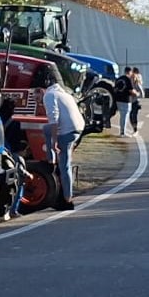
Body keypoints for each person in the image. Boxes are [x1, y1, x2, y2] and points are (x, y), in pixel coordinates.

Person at [39, 75, 85, 210]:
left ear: (42, 89)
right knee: (45, 129)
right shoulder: (64, 94)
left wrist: (54, 142)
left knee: (65, 165)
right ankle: (51, 159)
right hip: (78, 127)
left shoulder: (49, 95)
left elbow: (54, 119)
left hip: (68, 131)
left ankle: (67, 200)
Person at [0, 98, 30, 220]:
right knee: (19, 181)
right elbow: (17, 140)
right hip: (12, 152)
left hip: (0, 151)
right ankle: (14, 210)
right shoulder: (15, 123)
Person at [113, 67, 136, 136]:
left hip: (118, 99)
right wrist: (136, 93)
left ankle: (122, 131)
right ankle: (123, 132)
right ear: (130, 72)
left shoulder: (119, 79)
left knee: (122, 116)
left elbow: (115, 88)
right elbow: (131, 90)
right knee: (125, 116)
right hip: (126, 100)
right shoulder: (128, 79)